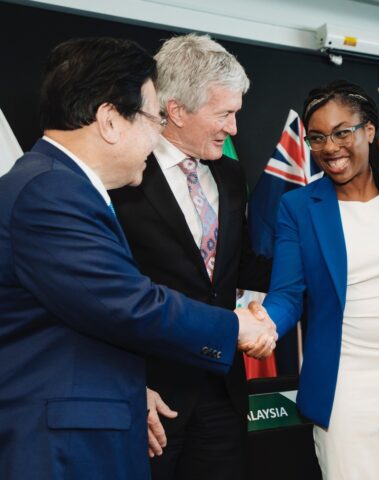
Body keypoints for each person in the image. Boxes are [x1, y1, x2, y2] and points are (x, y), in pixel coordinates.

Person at [0, 37, 274, 480]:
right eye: (151, 118)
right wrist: (236, 326)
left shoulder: (61, 185)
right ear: (110, 120)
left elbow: (87, 311)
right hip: (63, 443)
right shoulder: (49, 191)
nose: (156, 134)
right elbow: (127, 303)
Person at [258, 80, 379, 479]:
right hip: (341, 393)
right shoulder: (297, 206)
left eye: (341, 132)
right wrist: (263, 322)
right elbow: (287, 295)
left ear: (369, 130)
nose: (329, 148)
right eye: (317, 138)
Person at [109, 33, 271, 480]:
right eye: (225, 114)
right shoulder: (120, 174)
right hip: (150, 401)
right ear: (176, 110)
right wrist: (130, 386)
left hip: (223, 393)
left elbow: (230, 268)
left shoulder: (232, 174)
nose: (234, 129)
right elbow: (101, 293)